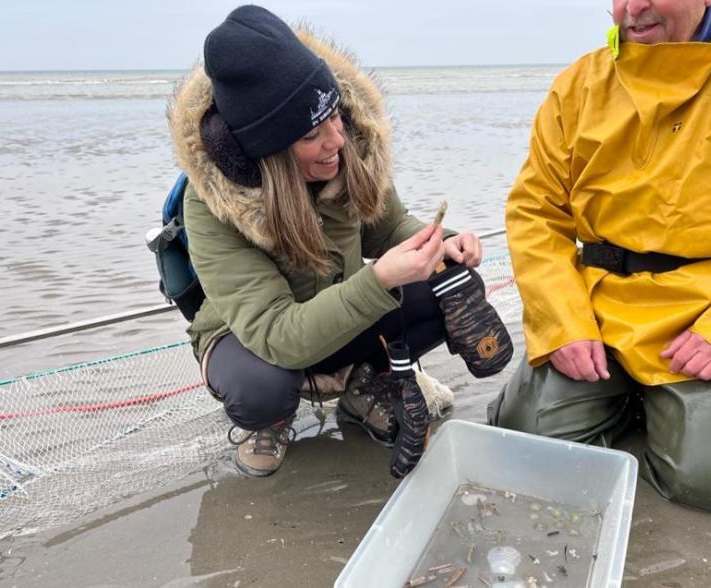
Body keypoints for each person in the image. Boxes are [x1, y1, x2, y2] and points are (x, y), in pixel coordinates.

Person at [490, 0, 711, 512]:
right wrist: (564, 322)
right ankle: (635, 403)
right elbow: (536, 213)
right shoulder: (579, 84)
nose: (633, 8)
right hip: (599, 306)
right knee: (525, 442)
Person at [167, 6, 500, 477]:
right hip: (252, 337)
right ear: (270, 151)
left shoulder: (348, 145)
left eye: (335, 119)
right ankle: (273, 421)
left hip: (337, 309)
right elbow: (278, 335)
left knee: (448, 283)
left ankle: (364, 383)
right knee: (261, 388)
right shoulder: (211, 203)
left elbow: (388, 227)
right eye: (311, 136)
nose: (337, 143)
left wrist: (441, 242)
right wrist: (380, 280)